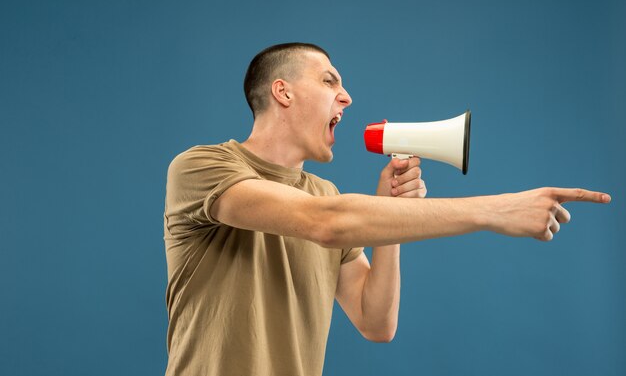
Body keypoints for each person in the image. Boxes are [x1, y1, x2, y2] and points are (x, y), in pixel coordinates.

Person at [163, 42, 611, 376]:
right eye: (329, 80)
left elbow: (375, 321)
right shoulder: (202, 167)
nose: (347, 97)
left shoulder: (324, 192)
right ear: (283, 91)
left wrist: (389, 217)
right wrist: (495, 210)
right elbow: (325, 223)